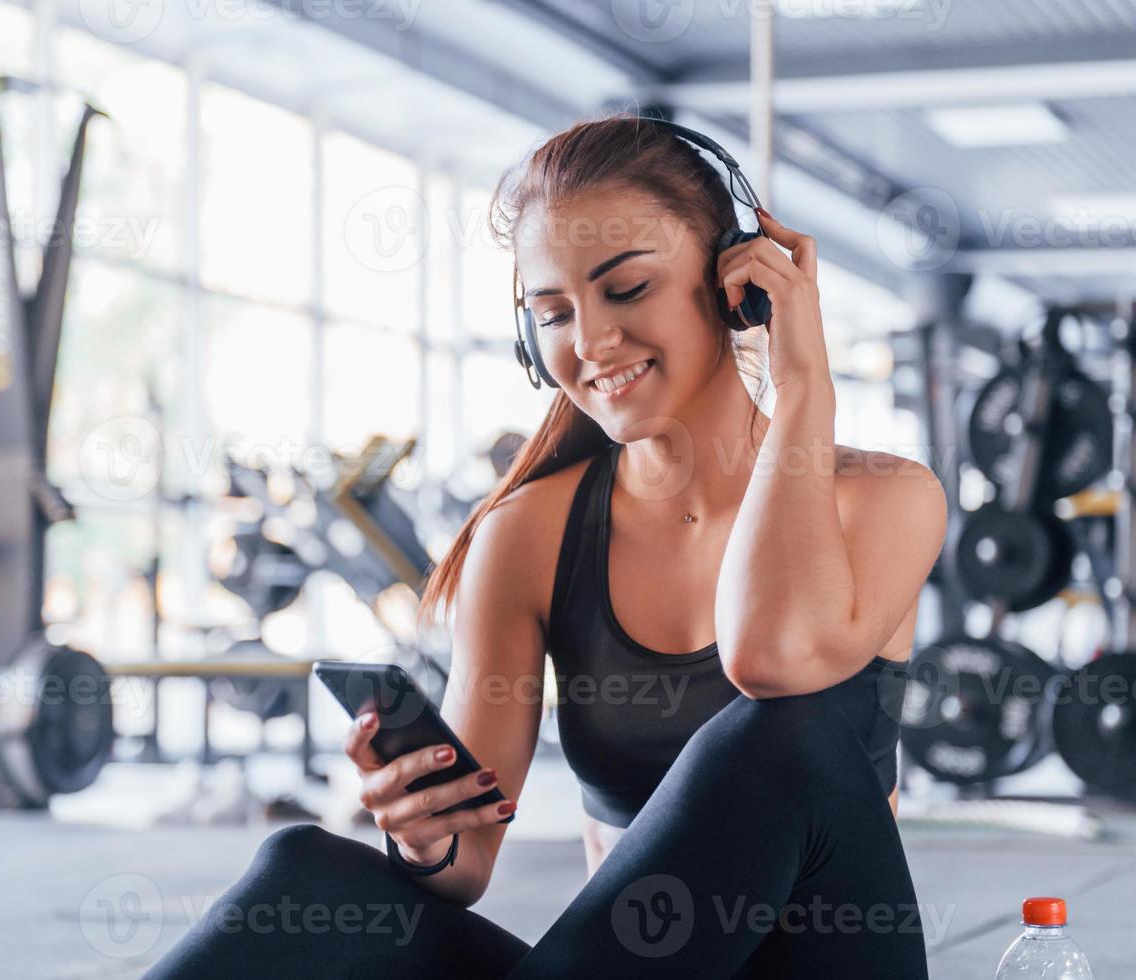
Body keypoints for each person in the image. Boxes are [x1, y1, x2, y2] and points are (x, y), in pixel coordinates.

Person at [143, 111, 946, 978]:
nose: (592, 343)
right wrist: (423, 834)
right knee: (301, 875)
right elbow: (468, 864)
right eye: (554, 312)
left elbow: (775, 658)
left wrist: (802, 387)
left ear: (735, 286)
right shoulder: (529, 532)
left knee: (777, 736)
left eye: (627, 289)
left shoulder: (885, 498)